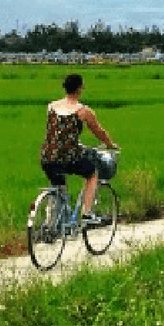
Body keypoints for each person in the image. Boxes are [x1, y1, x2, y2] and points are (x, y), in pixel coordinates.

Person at [40, 74, 119, 226]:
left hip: (47, 156)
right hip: (69, 156)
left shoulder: (51, 107)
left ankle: (51, 224)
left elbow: (57, 134)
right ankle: (87, 213)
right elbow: (98, 131)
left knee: (57, 185)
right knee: (92, 173)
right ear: (80, 89)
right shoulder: (82, 111)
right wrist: (109, 144)